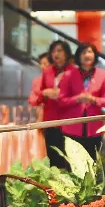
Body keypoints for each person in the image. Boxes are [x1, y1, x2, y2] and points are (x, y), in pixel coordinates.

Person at [58, 43, 105, 158]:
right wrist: (77, 98)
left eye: (90, 52)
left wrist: (94, 100)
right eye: (83, 52)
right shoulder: (68, 74)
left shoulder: (103, 75)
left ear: (95, 55)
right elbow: (61, 100)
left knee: (93, 163)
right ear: (78, 56)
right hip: (72, 128)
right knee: (72, 164)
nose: (87, 55)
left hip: (94, 128)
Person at [38, 39, 76, 168]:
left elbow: (79, 94)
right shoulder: (47, 71)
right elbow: (39, 95)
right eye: (53, 51)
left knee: (71, 158)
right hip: (51, 120)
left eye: (59, 50)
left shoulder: (74, 71)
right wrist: (45, 93)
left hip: (70, 121)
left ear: (66, 53)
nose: (56, 54)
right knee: (53, 157)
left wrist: (62, 94)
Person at [28, 52, 51, 120]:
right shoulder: (37, 81)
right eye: (41, 64)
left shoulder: (57, 80)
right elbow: (31, 98)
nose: (42, 66)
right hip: (38, 115)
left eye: (45, 64)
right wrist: (39, 99)